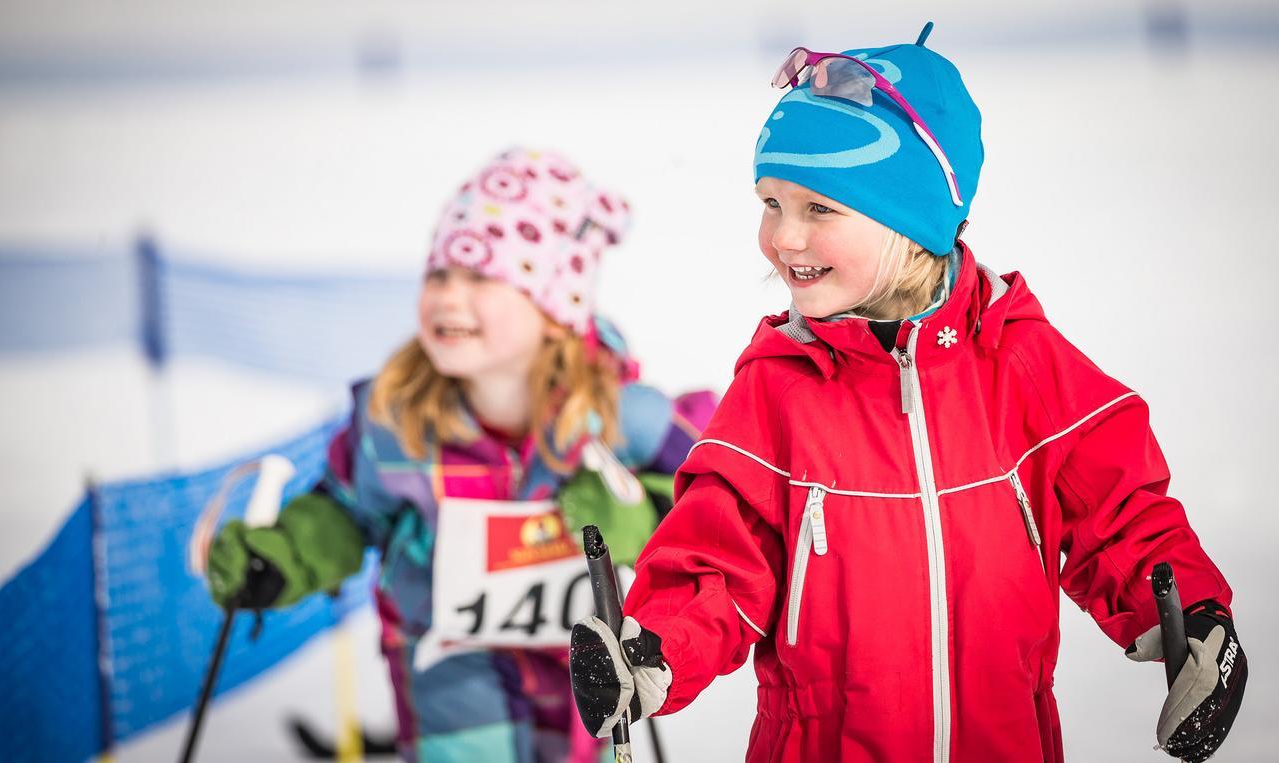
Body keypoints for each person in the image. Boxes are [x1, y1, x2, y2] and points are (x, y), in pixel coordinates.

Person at [568, 23, 1247, 763]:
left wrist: (1194, 621)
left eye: (819, 209)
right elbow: (718, 559)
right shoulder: (780, 386)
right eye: (771, 202)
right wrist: (653, 650)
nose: (782, 237)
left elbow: (1119, 515)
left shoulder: (1017, 361)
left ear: (913, 221)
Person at [206, 147, 715, 762]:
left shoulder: (619, 415)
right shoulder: (395, 420)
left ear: (555, 309)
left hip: (587, 668)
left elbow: (707, 501)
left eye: (482, 278)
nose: (449, 296)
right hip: (447, 666)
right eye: (440, 275)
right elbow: (346, 510)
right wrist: (286, 555)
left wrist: (640, 521)